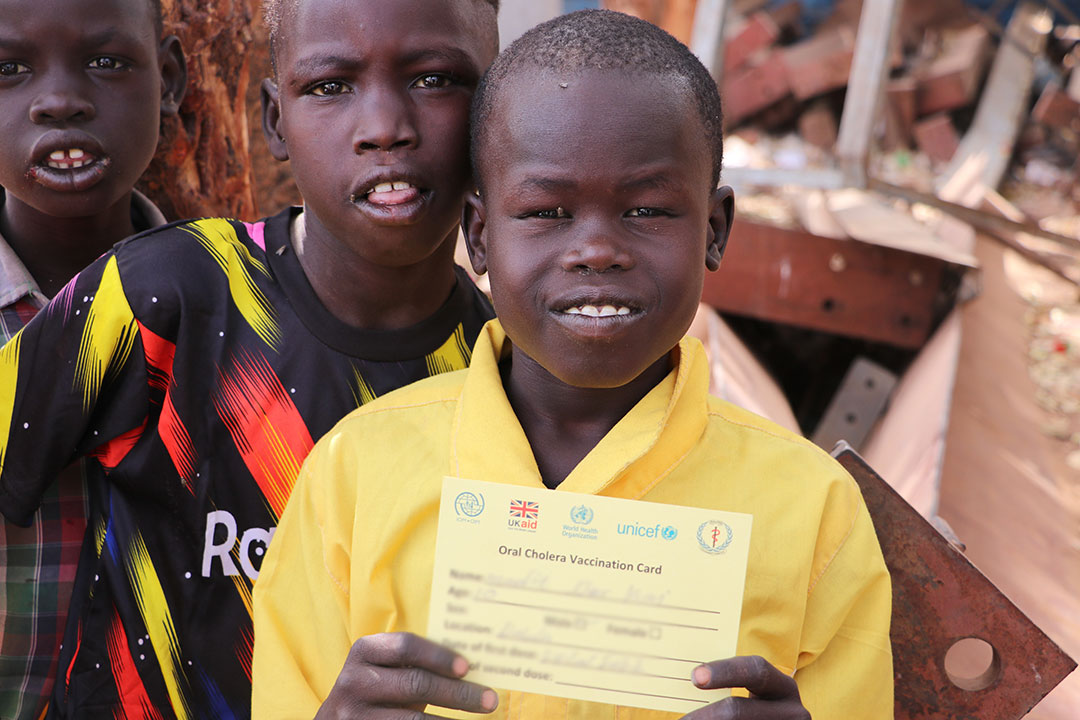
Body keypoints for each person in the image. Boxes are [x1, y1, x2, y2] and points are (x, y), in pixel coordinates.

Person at [251, 9, 894, 720]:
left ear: (713, 231)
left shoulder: (810, 512)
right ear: (480, 235)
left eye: (647, 211)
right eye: (547, 213)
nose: (596, 251)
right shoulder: (356, 477)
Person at [0, 0, 500, 715]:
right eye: (331, 85)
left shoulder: (503, 377)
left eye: (436, 79)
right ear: (275, 122)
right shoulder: (162, 297)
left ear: (493, 115)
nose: (387, 126)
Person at [0, 1, 186, 717]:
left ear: (166, 78)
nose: (59, 101)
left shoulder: (227, 314)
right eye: (9, 69)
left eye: (106, 62)